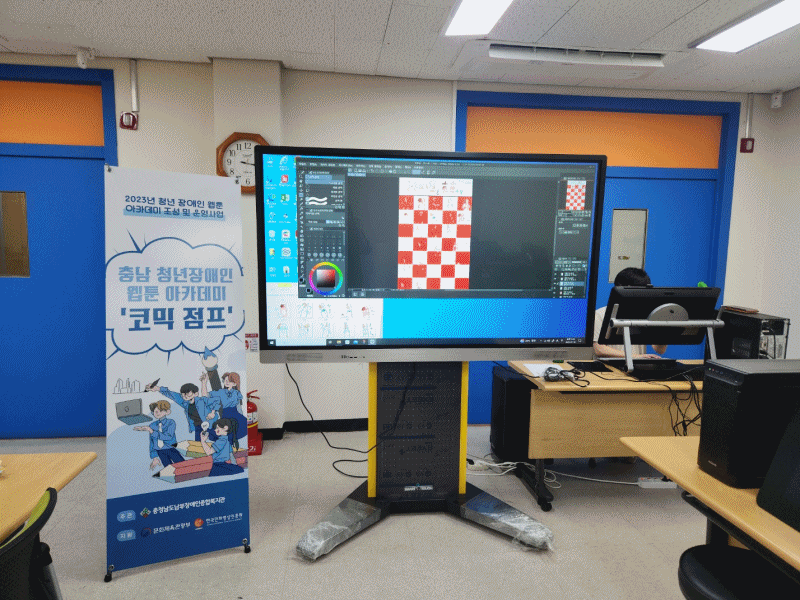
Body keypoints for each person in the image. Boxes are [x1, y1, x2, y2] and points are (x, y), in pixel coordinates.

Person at [594, 267, 668, 359]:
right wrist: (636, 357)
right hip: (610, 365)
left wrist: (664, 330)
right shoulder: (600, 314)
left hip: (638, 365)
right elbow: (599, 349)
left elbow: (660, 350)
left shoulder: (646, 315)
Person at [147, 381, 219, 442]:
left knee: (218, 439)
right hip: (198, 427)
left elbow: (216, 401)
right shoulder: (185, 403)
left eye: (187, 393)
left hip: (210, 424)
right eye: (183, 394)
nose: (185, 396)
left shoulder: (202, 400)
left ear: (196, 393)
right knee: (199, 445)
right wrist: (158, 388)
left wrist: (212, 412)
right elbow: (171, 395)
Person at [133, 400, 181, 470]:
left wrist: (152, 431)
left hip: (171, 448)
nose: (157, 413)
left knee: (182, 466)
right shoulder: (152, 425)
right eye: (155, 411)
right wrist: (154, 458)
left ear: (167, 412)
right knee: (169, 470)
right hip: (160, 451)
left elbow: (168, 437)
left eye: (160, 410)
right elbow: (152, 442)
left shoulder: (171, 422)